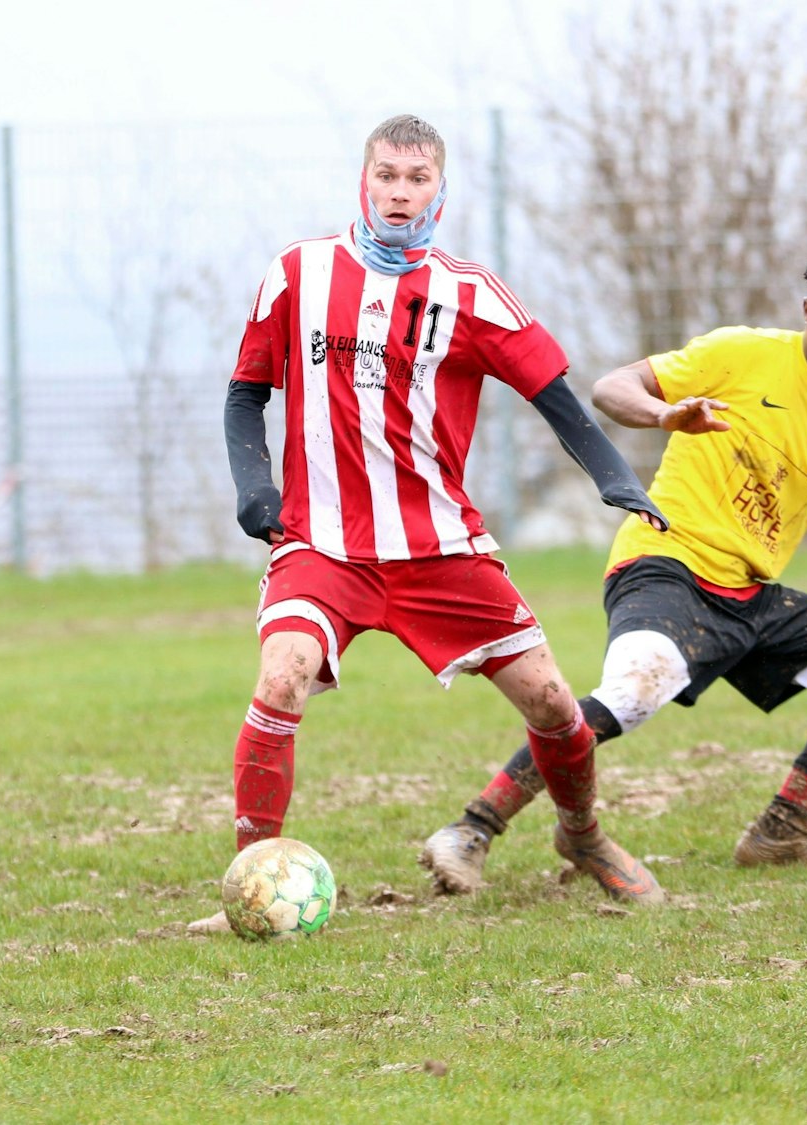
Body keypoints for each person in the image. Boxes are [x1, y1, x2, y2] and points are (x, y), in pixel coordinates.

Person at [187, 114, 671, 932]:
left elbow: (556, 395)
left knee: (555, 704)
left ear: (439, 189)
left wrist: (616, 476)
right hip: (323, 545)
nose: (400, 193)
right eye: (387, 176)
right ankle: (252, 881)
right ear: (363, 180)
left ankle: (583, 835)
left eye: (417, 179)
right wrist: (252, 486)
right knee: (278, 679)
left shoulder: (471, 292)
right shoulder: (298, 273)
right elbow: (246, 391)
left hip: (439, 547)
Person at [419, 242, 807, 894]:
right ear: (806, 311)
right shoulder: (740, 353)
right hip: (664, 564)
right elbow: (609, 388)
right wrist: (662, 414)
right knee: (635, 690)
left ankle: (782, 828)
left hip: (750, 597)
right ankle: (473, 828)